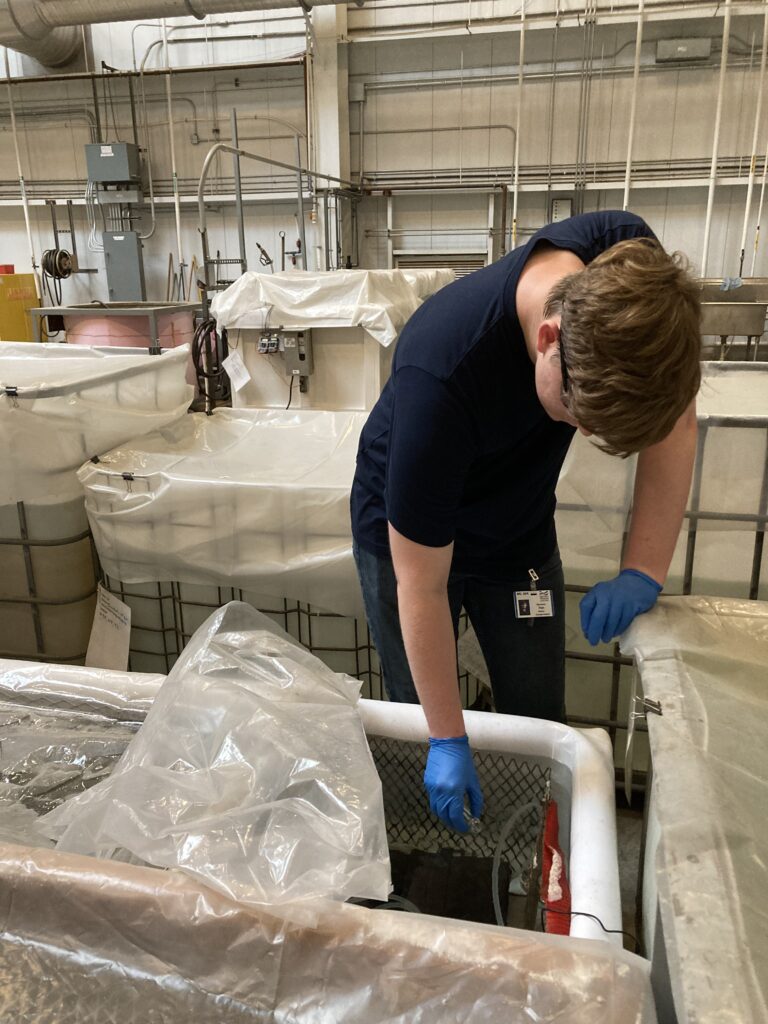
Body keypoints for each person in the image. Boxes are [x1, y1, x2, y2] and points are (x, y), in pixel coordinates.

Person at [350, 210, 701, 833]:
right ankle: (426, 849)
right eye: (577, 417)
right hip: (409, 527)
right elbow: (421, 586)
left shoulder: (635, 279)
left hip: (518, 524)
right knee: (421, 717)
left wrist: (644, 567)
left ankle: (528, 855)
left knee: (538, 714)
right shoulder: (441, 372)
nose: (580, 434)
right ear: (548, 340)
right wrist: (449, 738)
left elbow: (671, 417)